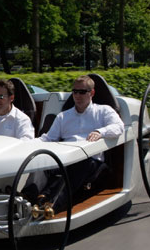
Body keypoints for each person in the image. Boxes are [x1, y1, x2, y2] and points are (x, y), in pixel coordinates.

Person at [33, 75, 124, 205]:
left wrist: (100, 132)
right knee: (39, 159)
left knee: (80, 163)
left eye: (82, 92)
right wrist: (26, 145)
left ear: (91, 93)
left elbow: (119, 127)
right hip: (66, 160)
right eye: (75, 92)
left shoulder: (103, 111)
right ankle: (31, 195)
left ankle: (50, 202)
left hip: (91, 162)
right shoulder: (63, 116)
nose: (78, 95)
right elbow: (48, 138)